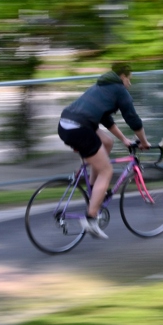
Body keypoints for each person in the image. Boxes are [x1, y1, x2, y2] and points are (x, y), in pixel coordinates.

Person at [57, 62, 151, 238]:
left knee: (107, 142)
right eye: (129, 80)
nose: (129, 84)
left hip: (65, 123)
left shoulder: (102, 86)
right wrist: (144, 142)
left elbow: (106, 120)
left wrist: (124, 139)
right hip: (80, 128)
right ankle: (91, 219)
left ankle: (93, 188)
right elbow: (133, 119)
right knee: (106, 170)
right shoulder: (119, 90)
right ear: (123, 77)